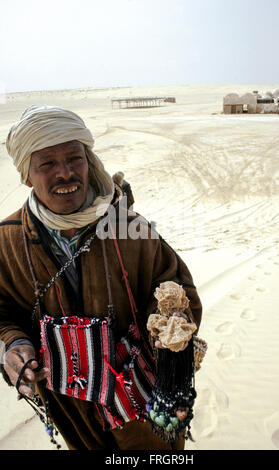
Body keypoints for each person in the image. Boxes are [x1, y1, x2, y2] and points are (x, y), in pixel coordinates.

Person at [0, 105, 202, 451]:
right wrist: (14, 345)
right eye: (47, 163)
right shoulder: (8, 241)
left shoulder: (130, 227)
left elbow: (177, 285)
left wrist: (172, 321)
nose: (66, 173)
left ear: (88, 160)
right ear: (26, 175)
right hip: (71, 408)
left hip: (144, 400)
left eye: (74, 159)